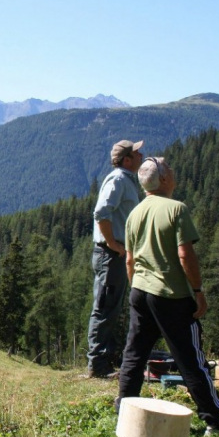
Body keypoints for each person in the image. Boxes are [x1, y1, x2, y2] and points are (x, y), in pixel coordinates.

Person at [116, 157, 219, 437]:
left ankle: (124, 412)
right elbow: (185, 255)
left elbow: (129, 260)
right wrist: (197, 291)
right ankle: (214, 421)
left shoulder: (135, 213)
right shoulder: (176, 209)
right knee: (190, 359)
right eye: (169, 168)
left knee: (134, 354)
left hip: (140, 291)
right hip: (171, 296)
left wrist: (136, 288)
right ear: (163, 179)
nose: (173, 171)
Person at [85, 140, 144, 378]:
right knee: (105, 308)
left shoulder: (125, 179)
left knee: (111, 307)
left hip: (115, 254)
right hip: (110, 255)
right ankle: (98, 365)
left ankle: (105, 361)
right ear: (127, 159)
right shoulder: (119, 180)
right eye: (137, 153)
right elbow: (101, 212)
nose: (142, 155)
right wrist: (112, 243)